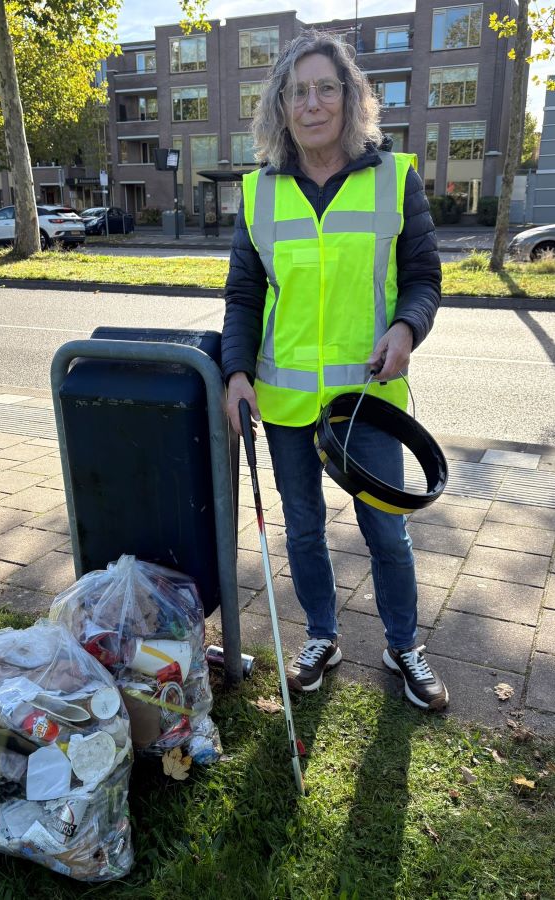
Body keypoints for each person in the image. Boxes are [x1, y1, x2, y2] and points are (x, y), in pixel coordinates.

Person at [221, 29, 448, 711]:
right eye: (299, 92)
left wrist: (407, 328)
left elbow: (423, 277)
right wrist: (236, 373)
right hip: (286, 403)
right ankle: (322, 637)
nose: (312, 103)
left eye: (325, 88)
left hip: (368, 400)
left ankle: (403, 645)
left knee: (388, 533)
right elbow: (243, 296)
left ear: (350, 99)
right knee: (303, 529)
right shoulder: (259, 193)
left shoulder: (395, 178)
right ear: (281, 107)